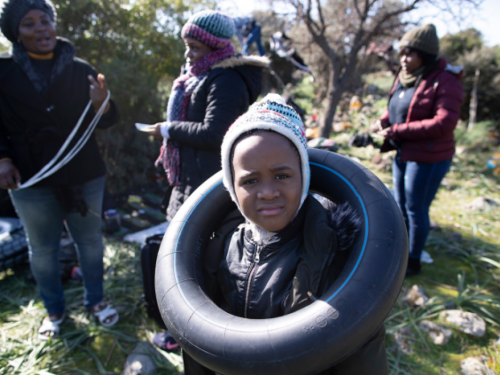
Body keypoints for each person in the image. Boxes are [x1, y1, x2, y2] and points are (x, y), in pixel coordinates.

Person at [182, 94, 389, 374]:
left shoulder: (337, 252)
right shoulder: (220, 245)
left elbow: (362, 356)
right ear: (232, 188)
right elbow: (198, 337)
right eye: (251, 180)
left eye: (282, 176)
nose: (268, 192)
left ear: (304, 176)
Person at [146, 9, 267, 351]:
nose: (188, 54)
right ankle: (190, 328)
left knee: (195, 257)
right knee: (183, 253)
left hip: (206, 184)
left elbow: (216, 133)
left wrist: (169, 130)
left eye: (195, 47)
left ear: (214, 47)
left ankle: (194, 332)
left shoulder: (225, 80)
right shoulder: (197, 77)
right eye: (186, 46)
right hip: (188, 180)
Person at [0, 0, 120, 339]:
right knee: (42, 248)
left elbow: (108, 119)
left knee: (91, 242)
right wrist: (3, 159)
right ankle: (54, 312)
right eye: (29, 24)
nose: (41, 29)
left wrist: (103, 104)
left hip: (83, 172)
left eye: (45, 20)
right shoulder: (3, 71)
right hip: (30, 174)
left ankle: (95, 301)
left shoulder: (79, 66)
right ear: (16, 33)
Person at [371, 24, 464, 276]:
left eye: (410, 54)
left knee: (416, 209)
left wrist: (398, 130)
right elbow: (397, 105)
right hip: (403, 151)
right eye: (402, 52)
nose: (404, 59)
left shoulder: (445, 81)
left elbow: (444, 122)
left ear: (426, 56)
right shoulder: (405, 77)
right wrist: (384, 120)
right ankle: (401, 251)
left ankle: (413, 261)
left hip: (429, 157)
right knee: (400, 205)